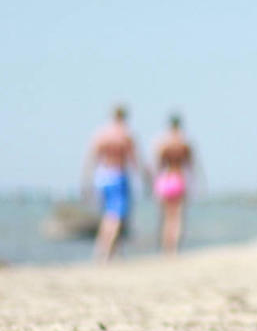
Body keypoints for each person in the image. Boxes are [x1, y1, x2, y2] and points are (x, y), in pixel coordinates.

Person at [82, 105, 147, 261]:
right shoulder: (125, 135)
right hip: (118, 175)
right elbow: (134, 160)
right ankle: (103, 250)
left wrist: (86, 181)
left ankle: (112, 252)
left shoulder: (101, 134)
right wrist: (145, 179)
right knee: (116, 217)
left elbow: (91, 158)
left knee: (108, 215)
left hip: (102, 175)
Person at [153, 114, 194, 254]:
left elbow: (158, 165)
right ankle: (175, 248)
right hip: (178, 178)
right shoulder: (184, 143)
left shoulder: (163, 143)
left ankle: (166, 247)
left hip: (165, 179)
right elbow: (190, 166)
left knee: (166, 216)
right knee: (177, 217)